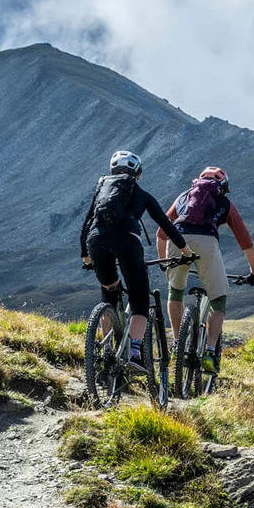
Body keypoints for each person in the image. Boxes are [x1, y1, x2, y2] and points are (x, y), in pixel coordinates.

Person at [80, 150, 188, 364]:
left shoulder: (101, 192)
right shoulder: (142, 195)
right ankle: (134, 353)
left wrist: (85, 256)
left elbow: (86, 225)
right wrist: (186, 252)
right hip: (127, 240)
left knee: (109, 290)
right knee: (139, 300)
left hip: (95, 240)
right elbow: (166, 225)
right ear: (138, 174)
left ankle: (107, 348)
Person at [159, 166, 254, 374]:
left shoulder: (183, 198)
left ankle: (178, 344)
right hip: (206, 241)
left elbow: (161, 233)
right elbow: (246, 243)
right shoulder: (225, 203)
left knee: (175, 290)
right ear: (223, 188)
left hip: (177, 239)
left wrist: (164, 263)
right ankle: (209, 351)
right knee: (218, 298)